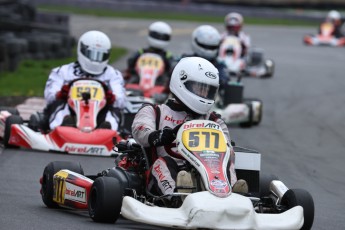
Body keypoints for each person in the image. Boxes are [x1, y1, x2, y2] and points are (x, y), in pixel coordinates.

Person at [131, 57, 248, 204]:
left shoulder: (214, 120)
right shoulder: (155, 112)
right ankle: (176, 198)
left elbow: (226, 147)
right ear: (182, 83)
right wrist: (162, 136)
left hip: (209, 170)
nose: (204, 94)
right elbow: (140, 131)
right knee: (164, 163)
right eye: (200, 88)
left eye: (208, 91)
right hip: (170, 169)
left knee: (229, 155)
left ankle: (232, 196)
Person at [43, 30, 127, 131]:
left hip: (100, 115)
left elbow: (121, 100)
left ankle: (107, 129)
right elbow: (49, 96)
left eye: (100, 56)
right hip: (71, 112)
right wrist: (61, 94)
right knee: (59, 103)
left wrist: (111, 97)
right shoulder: (63, 71)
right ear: (81, 50)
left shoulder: (113, 74)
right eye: (91, 54)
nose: (95, 60)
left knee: (113, 109)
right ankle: (64, 126)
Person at [124, 21, 174, 88]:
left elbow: (171, 69)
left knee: (167, 78)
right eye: (157, 36)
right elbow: (130, 64)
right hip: (139, 78)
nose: (159, 38)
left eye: (162, 37)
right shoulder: (142, 52)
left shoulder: (166, 55)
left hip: (159, 82)